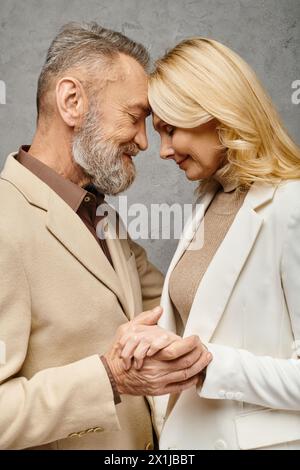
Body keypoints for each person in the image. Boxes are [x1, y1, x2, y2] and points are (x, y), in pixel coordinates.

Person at [0, 24, 211, 450]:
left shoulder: (99, 215)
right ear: (72, 102)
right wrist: (110, 377)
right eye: (134, 117)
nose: (145, 142)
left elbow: (178, 305)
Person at [121, 37, 300, 450]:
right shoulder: (209, 199)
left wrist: (206, 367)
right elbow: (199, 322)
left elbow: (208, 354)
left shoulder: (290, 205)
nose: (163, 151)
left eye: (170, 129)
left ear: (217, 114)